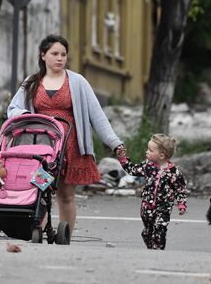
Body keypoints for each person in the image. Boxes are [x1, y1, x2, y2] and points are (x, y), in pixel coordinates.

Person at [7, 34, 125, 235]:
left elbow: (97, 116)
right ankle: (38, 231)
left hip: (70, 149)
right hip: (43, 150)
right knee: (39, 189)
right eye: (54, 54)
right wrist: (27, 115)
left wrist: (115, 143)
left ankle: (64, 236)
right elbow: (13, 109)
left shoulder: (77, 82)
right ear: (43, 55)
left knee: (66, 195)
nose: (59, 58)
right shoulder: (32, 81)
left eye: (63, 54)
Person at [117, 134, 187, 250]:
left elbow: (180, 189)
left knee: (160, 229)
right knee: (148, 232)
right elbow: (132, 170)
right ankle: (151, 246)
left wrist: (181, 203)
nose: (146, 152)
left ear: (161, 155)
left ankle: (158, 251)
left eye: (150, 150)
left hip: (164, 207)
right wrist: (123, 159)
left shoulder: (174, 172)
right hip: (147, 206)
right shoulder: (147, 166)